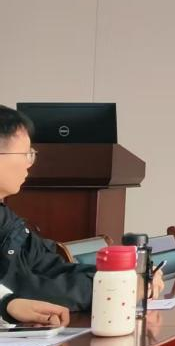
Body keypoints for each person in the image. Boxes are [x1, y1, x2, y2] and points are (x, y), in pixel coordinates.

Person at [0, 105, 161, 321]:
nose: (29, 164)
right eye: (26, 154)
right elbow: (30, 291)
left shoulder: (6, 219)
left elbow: (52, 269)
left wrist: (123, 278)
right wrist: (123, 287)